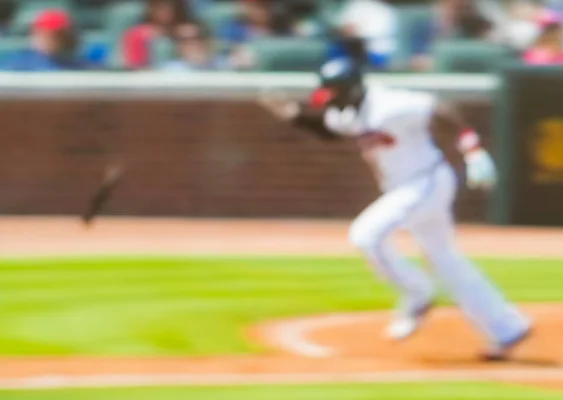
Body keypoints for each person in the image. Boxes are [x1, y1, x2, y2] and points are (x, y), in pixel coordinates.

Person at [258, 58, 532, 361]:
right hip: (409, 187)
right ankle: (507, 327)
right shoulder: (347, 112)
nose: (330, 101)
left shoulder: (389, 103)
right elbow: (331, 130)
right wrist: (295, 116)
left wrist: (473, 149)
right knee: (445, 260)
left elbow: (441, 109)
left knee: (366, 235)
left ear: (351, 89)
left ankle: (418, 292)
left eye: (333, 94)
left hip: (425, 181)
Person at [2, 9, 88, 71]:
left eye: (58, 35)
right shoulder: (18, 64)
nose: (52, 40)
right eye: (45, 34)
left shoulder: (80, 64)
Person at [122, 0, 196, 70]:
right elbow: (134, 64)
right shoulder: (137, 34)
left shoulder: (187, 31)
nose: (165, 12)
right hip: (148, 76)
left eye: (169, 7)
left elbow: (199, 61)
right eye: (160, 7)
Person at [161, 22, 228, 71]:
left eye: (195, 38)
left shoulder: (222, 64)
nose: (190, 43)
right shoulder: (169, 69)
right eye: (183, 39)